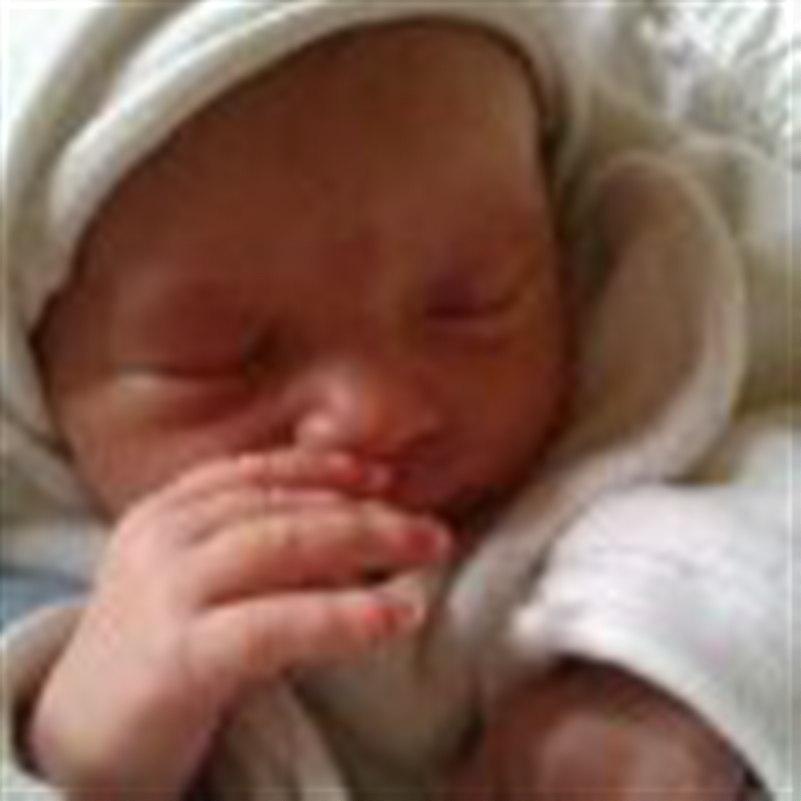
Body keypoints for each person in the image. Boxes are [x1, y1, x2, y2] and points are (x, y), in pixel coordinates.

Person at [1, 4, 797, 801]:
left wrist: (668, 687)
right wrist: (78, 742)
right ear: (32, 373)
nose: (374, 412)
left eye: (470, 302)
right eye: (225, 357)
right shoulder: (36, 549)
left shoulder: (661, 331)